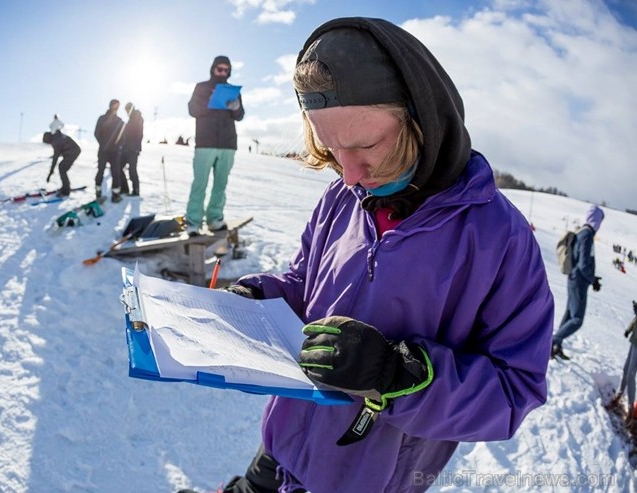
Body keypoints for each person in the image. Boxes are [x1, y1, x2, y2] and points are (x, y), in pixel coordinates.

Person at [179, 17, 554, 493]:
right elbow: (305, 281)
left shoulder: (500, 239)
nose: (350, 174)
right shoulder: (342, 198)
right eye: (331, 150)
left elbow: (514, 389)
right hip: (286, 441)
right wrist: (262, 297)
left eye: (367, 146)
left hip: (367, 475)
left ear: (426, 119)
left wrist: (398, 373)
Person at [185, 55, 245, 236]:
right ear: (213, 69)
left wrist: (235, 107)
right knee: (200, 183)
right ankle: (193, 222)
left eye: (226, 70)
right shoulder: (201, 87)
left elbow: (240, 115)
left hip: (227, 144)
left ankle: (215, 218)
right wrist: (211, 102)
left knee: (221, 184)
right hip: (205, 142)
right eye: (220, 69)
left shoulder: (233, 91)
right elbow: (192, 110)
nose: (223, 73)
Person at [551, 204, 605, 360]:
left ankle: (556, 346)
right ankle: (552, 341)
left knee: (569, 314)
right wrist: (592, 279)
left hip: (575, 280)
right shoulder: (587, 235)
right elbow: (583, 264)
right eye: (600, 220)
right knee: (577, 320)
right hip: (579, 281)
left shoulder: (582, 232)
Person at [608, 301, 637, 426]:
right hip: (635, 340)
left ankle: (631, 409)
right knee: (626, 370)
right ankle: (618, 396)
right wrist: (629, 329)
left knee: (631, 374)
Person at [94, 99, 124, 203]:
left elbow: (122, 137)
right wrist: (103, 144)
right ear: (110, 105)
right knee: (100, 170)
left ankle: (115, 194)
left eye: (117, 106)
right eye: (114, 105)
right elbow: (96, 133)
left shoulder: (119, 121)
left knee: (115, 172)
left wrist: (119, 146)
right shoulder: (102, 118)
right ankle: (98, 191)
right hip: (103, 150)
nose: (116, 108)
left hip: (115, 152)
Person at [42, 131, 80, 197]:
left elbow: (55, 158)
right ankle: (65, 187)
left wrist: (50, 173)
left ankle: (66, 191)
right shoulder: (56, 137)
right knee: (62, 168)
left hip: (73, 151)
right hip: (73, 151)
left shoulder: (56, 141)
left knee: (62, 168)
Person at [119, 102, 144, 196]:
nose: (126, 112)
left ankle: (136, 190)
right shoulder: (130, 120)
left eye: (127, 110)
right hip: (126, 149)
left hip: (133, 150)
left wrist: (136, 147)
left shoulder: (138, 118)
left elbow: (139, 134)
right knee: (119, 167)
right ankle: (124, 189)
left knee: (132, 170)